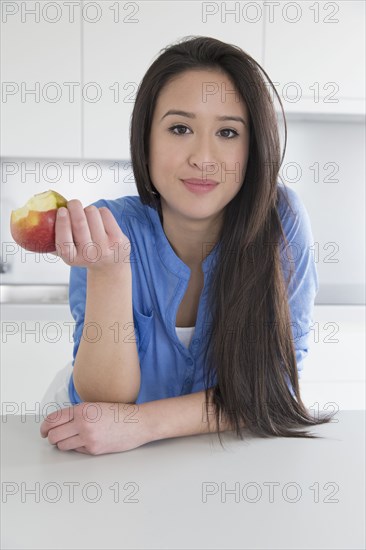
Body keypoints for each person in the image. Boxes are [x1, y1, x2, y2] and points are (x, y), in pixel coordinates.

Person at [40, 35, 336, 455]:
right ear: (146, 139)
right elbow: (105, 407)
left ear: (254, 149)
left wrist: (144, 424)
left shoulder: (281, 222)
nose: (204, 157)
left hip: (214, 455)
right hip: (100, 454)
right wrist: (110, 273)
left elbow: (275, 389)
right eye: (180, 128)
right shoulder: (109, 226)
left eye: (228, 132)